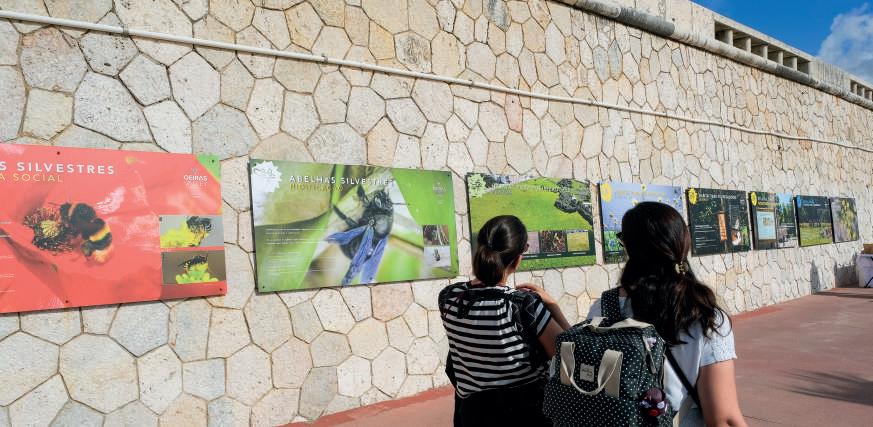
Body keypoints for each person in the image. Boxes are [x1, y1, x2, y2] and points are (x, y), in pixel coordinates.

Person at [585, 202, 746, 426]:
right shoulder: (704, 318)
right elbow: (723, 419)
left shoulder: (603, 307)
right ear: (683, 243)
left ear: (629, 248)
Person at [439, 215, 570, 426]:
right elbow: (568, 353)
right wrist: (553, 306)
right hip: (523, 415)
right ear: (517, 259)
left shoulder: (449, 298)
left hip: (472, 415)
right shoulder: (522, 305)